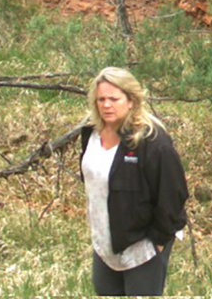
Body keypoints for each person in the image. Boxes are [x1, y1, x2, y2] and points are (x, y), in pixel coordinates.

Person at [79, 67, 189, 297]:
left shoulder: (152, 141)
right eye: (101, 99)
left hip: (143, 244)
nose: (106, 105)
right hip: (105, 242)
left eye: (114, 99)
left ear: (131, 100)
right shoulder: (91, 133)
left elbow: (173, 193)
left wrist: (158, 242)